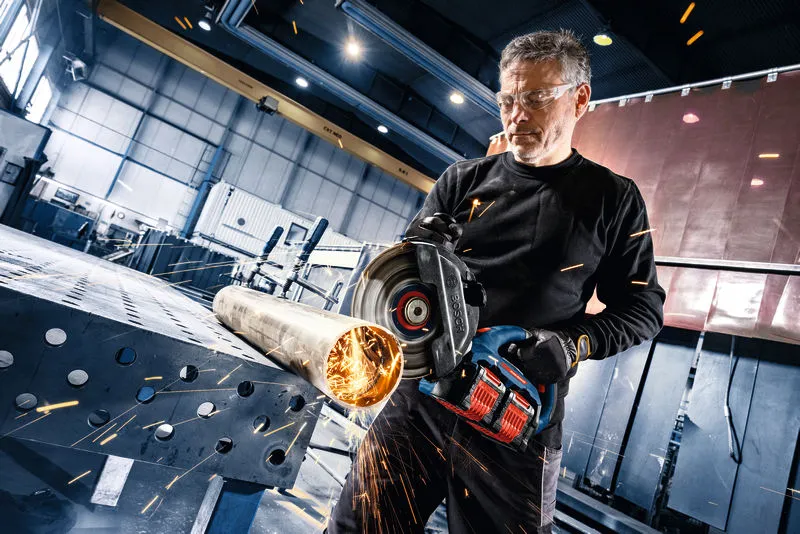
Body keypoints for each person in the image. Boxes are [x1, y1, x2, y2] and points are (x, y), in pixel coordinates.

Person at [327, 29, 665, 534]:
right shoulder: (462, 181)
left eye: (535, 99)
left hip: (514, 419)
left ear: (580, 99)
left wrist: (574, 344)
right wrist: (416, 249)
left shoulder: (612, 200)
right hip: (419, 403)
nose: (516, 116)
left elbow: (644, 308)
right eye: (508, 100)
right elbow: (403, 289)